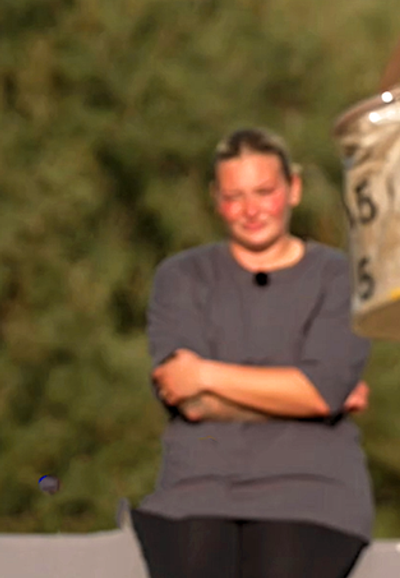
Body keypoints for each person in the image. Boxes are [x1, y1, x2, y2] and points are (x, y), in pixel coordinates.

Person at [132, 128, 375, 578]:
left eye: (264, 192)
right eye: (234, 196)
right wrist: (302, 396)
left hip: (313, 497)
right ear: (216, 199)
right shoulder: (182, 277)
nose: (251, 210)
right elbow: (185, 395)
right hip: (194, 492)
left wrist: (204, 373)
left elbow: (319, 392)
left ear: (293, 189)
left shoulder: (339, 277)